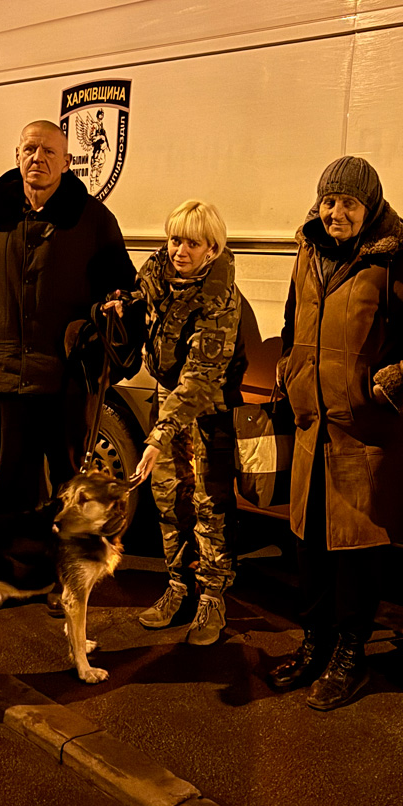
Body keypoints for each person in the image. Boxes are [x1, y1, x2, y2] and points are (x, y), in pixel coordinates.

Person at [272, 156, 403, 709]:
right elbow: (293, 322)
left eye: (348, 203)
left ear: (370, 206)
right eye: (329, 201)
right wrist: (290, 370)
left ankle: (349, 655)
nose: (335, 212)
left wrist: (386, 388)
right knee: (309, 545)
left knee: (357, 551)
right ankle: (315, 643)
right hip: (316, 426)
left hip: (367, 434)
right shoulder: (307, 250)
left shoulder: (398, 257)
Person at [0, 120, 135, 517]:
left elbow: (122, 289)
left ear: (68, 162)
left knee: (70, 489)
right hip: (6, 378)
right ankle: (13, 571)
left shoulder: (94, 219)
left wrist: (108, 321)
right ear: (17, 156)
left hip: (67, 381)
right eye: (30, 149)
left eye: (50, 151)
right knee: (11, 486)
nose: (38, 158)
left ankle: (64, 571)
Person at [111, 200, 246, 646]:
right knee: (168, 496)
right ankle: (177, 586)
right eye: (175, 240)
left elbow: (201, 378)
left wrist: (155, 438)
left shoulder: (221, 296)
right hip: (168, 393)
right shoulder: (158, 278)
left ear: (212, 249)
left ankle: (212, 598)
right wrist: (120, 305)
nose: (180, 250)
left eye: (193, 243)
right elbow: (139, 298)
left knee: (210, 504)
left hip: (208, 403)